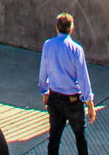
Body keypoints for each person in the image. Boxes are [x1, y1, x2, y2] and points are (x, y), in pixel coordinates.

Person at [38, 12, 96, 155]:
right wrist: (89, 103)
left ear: (56, 27)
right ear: (72, 28)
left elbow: (43, 70)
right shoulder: (76, 49)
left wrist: (44, 91)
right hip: (73, 100)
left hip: (55, 97)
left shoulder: (48, 45)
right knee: (80, 136)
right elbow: (83, 77)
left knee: (54, 138)